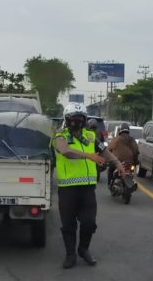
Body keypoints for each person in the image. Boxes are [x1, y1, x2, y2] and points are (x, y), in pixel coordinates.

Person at [53, 103, 125, 269]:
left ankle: (83, 249)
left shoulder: (91, 136)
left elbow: (104, 151)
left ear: (85, 120)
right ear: (66, 119)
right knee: (68, 225)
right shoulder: (59, 136)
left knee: (89, 223)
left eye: (79, 119)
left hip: (87, 189)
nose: (75, 122)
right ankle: (70, 255)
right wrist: (88, 155)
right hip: (67, 190)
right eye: (72, 119)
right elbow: (65, 151)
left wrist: (117, 163)